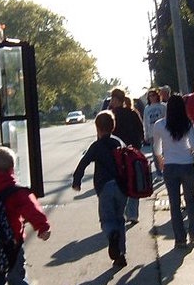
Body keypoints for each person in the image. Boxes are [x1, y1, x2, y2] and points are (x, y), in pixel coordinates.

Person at [0, 146, 51, 285]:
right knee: (16, 277)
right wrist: (43, 227)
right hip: (13, 242)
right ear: (11, 169)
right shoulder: (16, 192)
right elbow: (32, 210)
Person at [72, 111, 128, 267]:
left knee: (107, 220)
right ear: (113, 126)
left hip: (105, 187)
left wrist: (77, 181)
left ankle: (112, 235)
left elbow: (83, 163)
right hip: (122, 187)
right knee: (119, 219)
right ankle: (120, 255)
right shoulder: (119, 142)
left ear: (97, 128)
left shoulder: (96, 146)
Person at [153, 94, 194, 248]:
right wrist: (192, 153)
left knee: (174, 203)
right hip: (187, 165)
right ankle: (193, 231)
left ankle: (180, 238)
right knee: (190, 200)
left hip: (170, 166)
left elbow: (156, 148)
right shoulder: (188, 124)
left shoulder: (159, 125)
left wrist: (161, 161)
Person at [109, 88, 144, 224]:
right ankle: (133, 214)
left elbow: (106, 134)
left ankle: (121, 213)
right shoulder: (132, 113)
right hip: (133, 152)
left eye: (113, 99)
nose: (111, 101)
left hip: (117, 154)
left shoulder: (112, 115)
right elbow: (141, 132)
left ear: (117, 100)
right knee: (133, 182)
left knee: (120, 183)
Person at [143, 88, 166, 177]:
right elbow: (145, 122)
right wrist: (146, 134)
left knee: (165, 152)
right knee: (156, 153)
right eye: (150, 96)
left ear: (157, 96)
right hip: (153, 134)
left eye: (153, 95)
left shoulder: (163, 106)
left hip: (163, 132)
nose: (152, 97)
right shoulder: (147, 109)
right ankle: (159, 173)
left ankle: (166, 170)